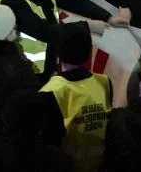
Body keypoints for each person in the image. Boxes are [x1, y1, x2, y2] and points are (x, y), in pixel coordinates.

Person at [0, 0, 127, 77]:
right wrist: (87, 26)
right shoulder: (12, 1)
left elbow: (74, 0)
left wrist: (108, 17)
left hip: (46, 65)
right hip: (21, 70)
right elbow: (44, 31)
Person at [35, 22, 113, 172]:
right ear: (90, 52)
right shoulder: (104, 82)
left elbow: (48, 145)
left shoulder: (51, 91)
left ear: (58, 52)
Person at [0, 2, 39, 134]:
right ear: (3, 32)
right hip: (1, 133)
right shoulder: (14, 67)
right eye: (13, 28)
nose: (17, 32)